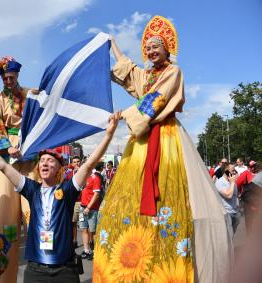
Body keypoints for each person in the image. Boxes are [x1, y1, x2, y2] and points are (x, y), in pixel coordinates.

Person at [94, 16, 232, 282]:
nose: (151, 51)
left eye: (156, 46)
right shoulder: (148, 75)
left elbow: (155, 100)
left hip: (165, 136)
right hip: (143, 138)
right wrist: (112, 44)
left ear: (168, 48)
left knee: (171, 193)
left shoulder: (173, 73)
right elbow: (130, 72)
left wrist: (127, 115)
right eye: (148, 47)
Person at [0, 111, 119, 282]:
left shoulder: (67, 190)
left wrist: (109, 135)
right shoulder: (32, 189)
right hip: (36, 271)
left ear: (60, 168)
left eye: (50, 160)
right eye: (42, 160)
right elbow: (3, 166)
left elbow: (89, 164)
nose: (45, 162)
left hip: (64, 271)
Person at [0, 56, 37, 282]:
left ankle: (42, 273)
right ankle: (4, 278)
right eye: (5, 77)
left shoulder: (31, 95)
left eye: (11, 77)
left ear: (17, 75)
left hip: (31, 157)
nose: (8, 80)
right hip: (8, 163)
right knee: (6, 222)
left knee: (36, 214)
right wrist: (9, 148)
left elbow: (41, 117)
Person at [79, 162, 104, 260]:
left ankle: (95, 251)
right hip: (82, 208)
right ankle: (87, 250)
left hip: (91, 209)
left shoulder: (95, 178)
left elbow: (97, 194)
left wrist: (89, 207)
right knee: (83, 229)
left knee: (93, 231)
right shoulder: (84, 178)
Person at [215, 164, 239, 233]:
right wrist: (232, 183)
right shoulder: (220, 182)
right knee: (229, 236)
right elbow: (228, 195)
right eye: (232, 170)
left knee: (232, 236)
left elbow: (235, 195)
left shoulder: (232, 181)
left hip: (235, 212)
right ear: (226, 171)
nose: (234, 172)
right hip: (227, 213)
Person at [66, 156, 82, 249]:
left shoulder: (85, 173)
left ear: (81, 162)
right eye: (74, 162)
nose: (76, 163)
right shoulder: (68, 175)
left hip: (83, 201)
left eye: (78, 161)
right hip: (73, 201)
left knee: (85, 226)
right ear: (72, 164)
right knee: (73, 222)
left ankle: (90, 242)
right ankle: (74, 240)